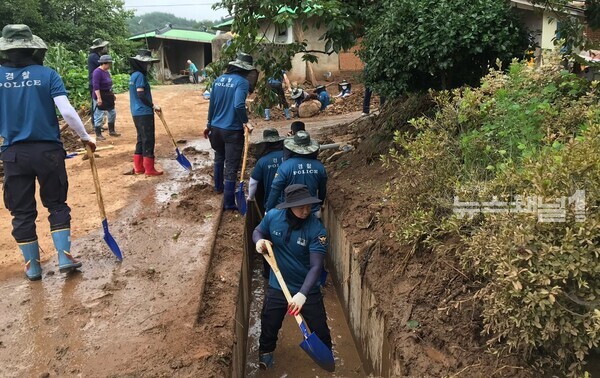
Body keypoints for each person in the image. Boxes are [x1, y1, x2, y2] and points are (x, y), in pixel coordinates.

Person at [0, 24, 97, 280]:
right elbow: (66, 112)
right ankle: (64, 257)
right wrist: (86, 138)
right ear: (32, 47)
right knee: (56, 204)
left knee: (21, 211)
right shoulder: (47, 74)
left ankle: (32, 266)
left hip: (14, 154)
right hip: (48, 152)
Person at [253, 184, 332, 369]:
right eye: (300, 207)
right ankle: (266, 355)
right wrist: (259, 242)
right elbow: (258, 231)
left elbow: (316, 267)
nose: (306, 210)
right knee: (269, 324)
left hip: (307, 289)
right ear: (288, 206)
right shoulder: (273, 217)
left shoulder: (317, 230)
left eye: (308, 206)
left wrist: (302, 294)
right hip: (278, 285)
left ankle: (327, 358)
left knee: (320, 329)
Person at [204, 52, 257, 210]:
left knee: (219, 158)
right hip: (232, 130)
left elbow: (211, 104)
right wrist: (245, 122)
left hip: (215, 128)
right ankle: (228, 202)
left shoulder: (218, 80)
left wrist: (208, 124)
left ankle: (218, 187)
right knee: (232, 166)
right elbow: (239, 105)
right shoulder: (242, 83)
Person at [265, 131, 327, 217]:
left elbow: (275, 190)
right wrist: (320, 204)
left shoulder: (285, 167)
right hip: (312, 211)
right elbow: (322, 190)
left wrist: (268, 210)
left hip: (289, 212)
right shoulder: (319, 167)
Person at [128, 49, 163, 176]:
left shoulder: (133, 75)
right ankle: (149, 169)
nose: (149, 66)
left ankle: (139, 167)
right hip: (144, 112)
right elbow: (141, 95)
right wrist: (153, 106)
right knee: (148, 139)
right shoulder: (140, 76)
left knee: (140, 139)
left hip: (136, 112)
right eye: (147, 63)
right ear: (140, 63)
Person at [247, 128, 285, 210]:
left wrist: (250, 197)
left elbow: (253, 183)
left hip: (272, 203)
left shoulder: (262, 161)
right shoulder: (288, 157)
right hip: (292, 201)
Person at [92, 54, 119, 140]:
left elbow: (109, 84)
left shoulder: (106, 72)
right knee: (99, 115)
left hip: (108, 95)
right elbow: (96, 86)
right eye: (110, 63)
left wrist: (112, 94)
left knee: (112, 112)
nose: (110, 65)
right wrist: (99, 98)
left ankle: (112, 130)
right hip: (100, 95)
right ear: (105, 63)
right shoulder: (97, 72)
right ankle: (98, 134)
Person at [88, 38, 109, 122]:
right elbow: (103, 66)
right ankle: (95, 123)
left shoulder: (95, 55)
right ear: (100, 48)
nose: (105, 48)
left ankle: (97, 123)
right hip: (94, 83)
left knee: (97, 104)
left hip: (95, 82)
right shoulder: (94, 56)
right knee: (95, 104)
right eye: (104, 47)